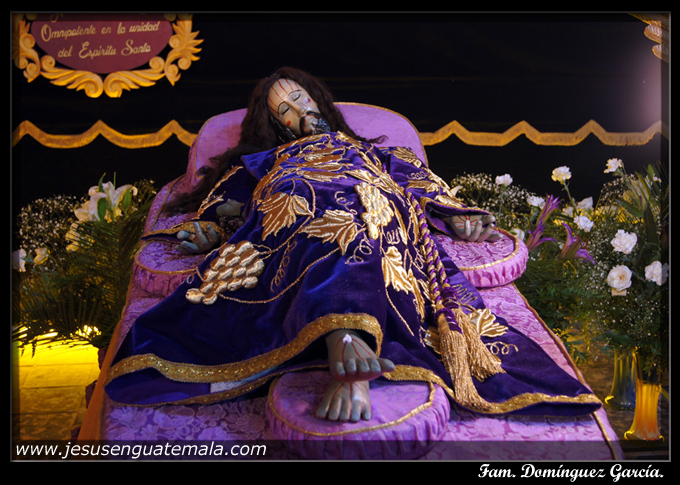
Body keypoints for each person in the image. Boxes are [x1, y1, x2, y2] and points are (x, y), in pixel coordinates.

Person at [105, 67, 600, 423]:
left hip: (371, 196)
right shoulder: (262, 161)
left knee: (364, 209)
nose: (297, 110)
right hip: (296, 198)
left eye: (299, 98)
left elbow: (420, 185)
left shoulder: (376, 152)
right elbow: (228, 203)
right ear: (276, 125)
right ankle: (347, 342)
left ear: (318, 99)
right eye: (283, 110)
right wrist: (210, 230)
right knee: (322, 213)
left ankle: (348, 340)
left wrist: (458, 217)